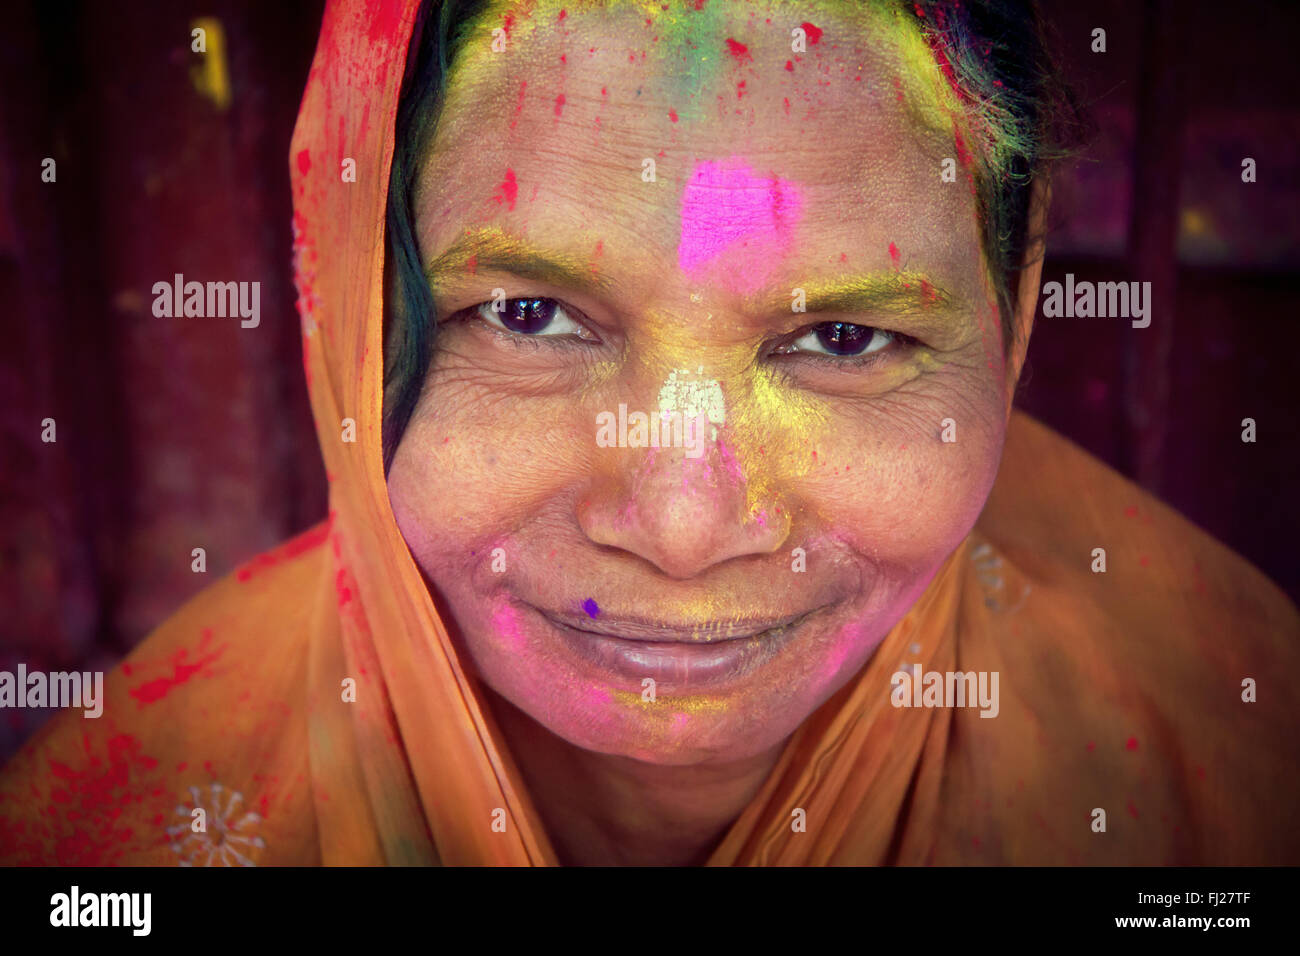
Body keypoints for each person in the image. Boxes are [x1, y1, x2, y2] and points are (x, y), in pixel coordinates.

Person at [2, 0, 1296, 866]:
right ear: (349, 315)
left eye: (841, 340)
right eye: (527, 315)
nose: (684, 527)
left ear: (1011, 321)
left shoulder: (1240, 778)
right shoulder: (110, 837)